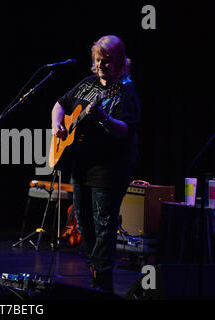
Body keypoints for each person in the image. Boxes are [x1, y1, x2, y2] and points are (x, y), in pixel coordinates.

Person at [51, 35, 141, 292]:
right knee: (84, 222)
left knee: (104, 225)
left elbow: (126, 130)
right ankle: (95, 269)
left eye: (107, 60)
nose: (101, 65)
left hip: (109, 169)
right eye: (98, 60)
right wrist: (57, 124)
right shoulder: (87, 83)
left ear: (121, 62)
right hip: (81, 165)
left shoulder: (125, 91)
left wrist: (103, 118)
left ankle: (103, 282)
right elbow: (60, 104)